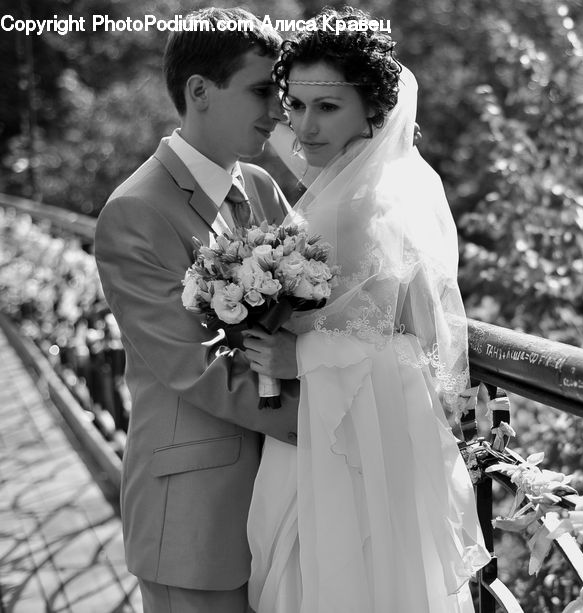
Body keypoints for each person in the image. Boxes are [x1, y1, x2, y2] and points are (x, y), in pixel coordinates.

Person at [243, 7, 490, 612]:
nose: (304, 126)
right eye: (295, 105)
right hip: (334, 432)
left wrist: (298, 354)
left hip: (343, 448)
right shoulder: (352, 188)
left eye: (327, 107)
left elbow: (408, 345)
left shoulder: (362, 205)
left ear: (371, 109)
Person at [94, 8, 303, 612]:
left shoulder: (260, 185)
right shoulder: (135, 212)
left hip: (281, 501)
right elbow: (199, 366)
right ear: (200, 91)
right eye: (262, 90)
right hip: (195, 515)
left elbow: (315, 307)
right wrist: (331, 418)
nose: (278, 112)